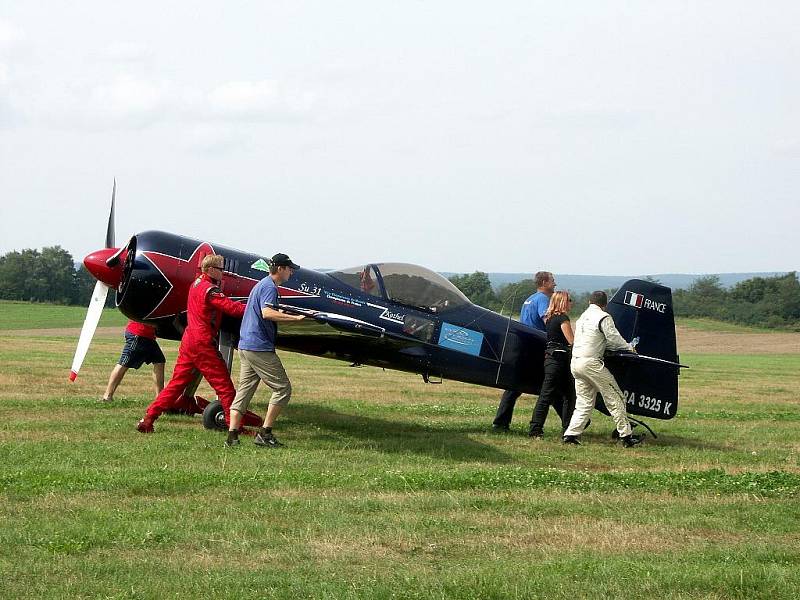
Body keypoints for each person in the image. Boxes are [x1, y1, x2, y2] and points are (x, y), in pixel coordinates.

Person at [137, 254, 246, 433]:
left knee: (175, 385)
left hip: (189, 341)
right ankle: (235, 427)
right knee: (225, 388)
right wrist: (256, 308)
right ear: (210, 270)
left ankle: (148, 419)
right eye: (220, 269)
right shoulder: (210, 290)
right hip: (202, 343)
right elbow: (231, 308)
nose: (223, 273)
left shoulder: (195, 284)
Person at [225, 253, 305, 448]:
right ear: (280, 269)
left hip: (246, 345)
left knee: (244, 391)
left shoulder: (261, 284)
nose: (291, 271)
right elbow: (266, 312)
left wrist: (283, 313)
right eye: (289, 268)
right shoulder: (270, 287)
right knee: (283, 388)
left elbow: (263, 311)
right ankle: (265, 433)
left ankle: (232, 437)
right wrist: (294, 319)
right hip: (258, 347)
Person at [562, 291, 643, 447]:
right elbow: (613, 337)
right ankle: (626, 436)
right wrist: (629, 348)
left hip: (576, 363)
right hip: (591, 363)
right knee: (616, 397)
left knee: (584, 402)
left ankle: (571, 435)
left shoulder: (581, 318)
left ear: (589, 302)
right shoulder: (603, 317)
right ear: (604, 305)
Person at [492, 271, 556, 431]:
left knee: (514, 386)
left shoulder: (529, 299)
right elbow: (547, 320)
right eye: (552, 281)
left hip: (524, 347)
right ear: (544, 282)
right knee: (550, 384)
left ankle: (501, 421)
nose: (555, 284)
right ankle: (569, 423)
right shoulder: (543, 299)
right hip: (537, 348)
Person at [528, 291, 575, 438]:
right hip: (559, 358)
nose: (571, 303)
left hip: (550, 357)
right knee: (566, 395)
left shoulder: (550, 318)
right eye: (569, 300)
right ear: (563, 302)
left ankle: (538, 428)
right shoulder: (562, 318)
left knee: (549, 394)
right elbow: (571, 341)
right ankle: (539, 429)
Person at [102, 321, 165, 402]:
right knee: (124, 363)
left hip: (148, 336)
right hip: (138, 334)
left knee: (159, 361)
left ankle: (159, 398)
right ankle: (107, 396)